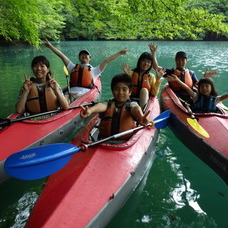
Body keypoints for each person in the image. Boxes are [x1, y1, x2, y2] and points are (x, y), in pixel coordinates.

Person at [44, 39, 129, 102]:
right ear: (79, 58)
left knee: (70, 98)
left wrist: (120, 53)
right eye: (82, 55)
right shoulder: (72, 67)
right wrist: (50, 46)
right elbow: (62, 56)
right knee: (65, 97)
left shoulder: (95, 70)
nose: (84, 56)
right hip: (70, 94)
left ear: (90, 58)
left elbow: (107, 61)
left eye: (86, 55)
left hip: (83, 96)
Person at [80, 74, 150, 140]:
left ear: (130, 92)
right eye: (116, 89)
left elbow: (135, 109)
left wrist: (141, 117)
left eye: (124, 89)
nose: (120, 92)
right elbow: (101, 106)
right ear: (112, 91)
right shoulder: (108, 103)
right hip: (103, 141)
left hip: (125, 143)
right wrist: (90, 110)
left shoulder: (132, 104)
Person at [151, 45, 217, 102]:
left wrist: (204, 77)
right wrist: (153, 53)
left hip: (189, 96)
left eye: (182, 60)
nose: (180, 62)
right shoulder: (171, 72)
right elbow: (156, 67)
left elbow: (198, 85)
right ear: (175, 61)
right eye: (178, 60)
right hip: (175, 97)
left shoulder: (191, 73)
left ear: (186, 61)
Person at [121, 45, 164, 109]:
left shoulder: (151, 76)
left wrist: (158, 80)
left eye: (149, 62)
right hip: (130, 99)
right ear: (139, 61)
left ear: (151, 64)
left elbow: (154, 93)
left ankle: (141, 112)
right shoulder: (131, 73)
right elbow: (124, 88)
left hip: (144, 102)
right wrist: (127, 76)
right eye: (144, 61)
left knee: (144, 90)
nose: (146, 64)